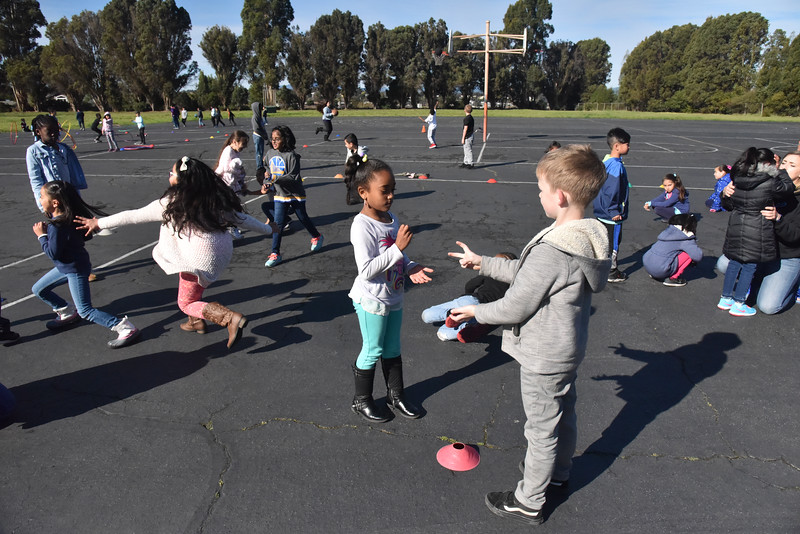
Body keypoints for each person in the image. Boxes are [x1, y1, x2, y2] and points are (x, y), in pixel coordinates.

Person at [447, 144, 610, 525]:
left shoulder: (554, 250)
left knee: (540, 428)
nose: (537, 195)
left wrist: (474, 310)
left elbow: (515, 305)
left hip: (543, 354)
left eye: (540, 189)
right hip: (566, 348)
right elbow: (527, 273)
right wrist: (484, 262)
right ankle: (558, 473)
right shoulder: (582, 235)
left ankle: (529, 499)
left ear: (561, 195)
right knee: (561, 415)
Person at [75, 156, 276, 349]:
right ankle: (195, 322)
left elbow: (133, 216)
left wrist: (98, 223)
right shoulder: (212, 199)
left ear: (182, 180)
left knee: (186, 302)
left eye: (171, 173)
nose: (169, 176)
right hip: (221, 251)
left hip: (198, 257)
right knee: (193, 286)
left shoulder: (171, 203)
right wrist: (268, 229)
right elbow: (242, 219)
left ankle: (229, 318)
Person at [348, 157, 434, 422]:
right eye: (384, 190)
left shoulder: (391, 218)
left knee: (393, 348)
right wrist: (399, 249)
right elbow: (367, 269)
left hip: (393, 294)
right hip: (372, 299)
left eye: (392, 188)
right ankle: (361, 400)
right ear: (363, 192)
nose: (390, 195)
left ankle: (395, 395)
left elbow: (395, 255)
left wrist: (409, 265)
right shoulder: (362, 226)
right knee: (372, 349)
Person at [31, 181, 139, 348]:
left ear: (55, 202)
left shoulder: (57, 226)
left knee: (85, 310)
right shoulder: (69, 217)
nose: (39, 199)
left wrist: (41, 236)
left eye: (42, 196)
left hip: (75, 269)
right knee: (39, 289)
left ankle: (125, 328)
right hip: (66, 267)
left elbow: (53, 253)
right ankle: (65, 312)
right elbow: (86, 237)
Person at [716, 151, 800, 314]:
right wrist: (726, 195)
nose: (785, 167)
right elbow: (734, 206)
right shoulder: (768, 184)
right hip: (759, 248)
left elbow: (796, 236)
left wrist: (778, 220)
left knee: (768, 307)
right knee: (724, 263)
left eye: (792, 165)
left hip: (787, 255)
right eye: (784, 163)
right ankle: (757, 280)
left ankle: (792, 283)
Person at [261, 125, 324, 267]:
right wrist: (266, 182)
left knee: (303, 218)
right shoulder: (270, 154)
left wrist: (274, 180)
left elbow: (293, 177)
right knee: (278, 224)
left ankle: (317, 236)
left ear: (285, 139)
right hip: (280, 195)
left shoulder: (292, 156)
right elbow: (267, 170)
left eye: (277, 139)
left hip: (295, 194)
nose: (274, 142)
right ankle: (275, 253)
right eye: (272, 139)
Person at [421, 252, 516, 342]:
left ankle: (451, 313)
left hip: (472, 300)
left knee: (426, 315)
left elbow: (470, 285)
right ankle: (467, 326)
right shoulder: (513, 284)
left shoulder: (489, 275)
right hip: (485, 311)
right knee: (442, 333)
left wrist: (467, 294)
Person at [593, 127, 631, 283]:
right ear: (617, 146)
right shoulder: (616, 166)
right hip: (611, 214)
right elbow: (612, 190)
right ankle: (611, 271)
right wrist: (614, 209)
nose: (629, 147)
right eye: (627, 144)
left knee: (602, 239)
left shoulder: (606, 161)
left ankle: (600, 265)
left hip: (601, 210)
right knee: (613, 242)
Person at [643, 213, 703, 287]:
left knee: (667, 251)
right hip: (660, 270)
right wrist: (692, 240)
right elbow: (698, 256)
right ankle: (672, 279)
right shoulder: (685, 238)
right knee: (688, 254)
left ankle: (655, 274)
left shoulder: (667, 232)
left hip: (648, 264)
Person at [215, 130, 250, 239]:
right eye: (242, 144)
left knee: (232, 207)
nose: (243, 147)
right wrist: (237, 167)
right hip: (226, 184)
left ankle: (230, 227)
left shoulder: (235, 152)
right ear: (235, 142)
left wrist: (241, 178)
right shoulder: (228, 151)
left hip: (231, 183)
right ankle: (230, 228)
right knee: (230, 208)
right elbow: (226, 168)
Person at [251, 102, 268, 170]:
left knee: (261, 151)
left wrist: (265, 135)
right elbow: (256, 129)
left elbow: (262, 127)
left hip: (261, 136)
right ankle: (259, 166)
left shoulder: (259, 117)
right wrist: (264, 135)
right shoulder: (255, 118)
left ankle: (261, 164)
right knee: (259, 152)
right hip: (257, 136)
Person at [460, 104, 474, 169]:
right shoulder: (471, 118)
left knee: (468, 150)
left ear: (465, 110)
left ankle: (470, 163)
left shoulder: (466, 119)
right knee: (466, 150)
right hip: (470, 135)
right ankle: (465, 162)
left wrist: (463, 138)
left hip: (467, 136)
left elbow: (465, 129)